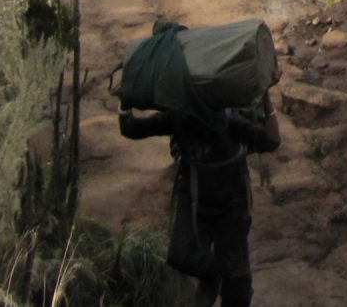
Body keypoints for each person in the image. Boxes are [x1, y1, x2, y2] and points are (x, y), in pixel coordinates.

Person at [119, 100, 281, 306]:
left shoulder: (231, 121)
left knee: (237, 288)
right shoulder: (180, 118)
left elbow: (272, 141)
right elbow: (131, 128)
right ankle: (215, 274)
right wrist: (125, 103)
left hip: (232, 201)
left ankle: (225, 275)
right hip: (195, 198)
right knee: (181, 255)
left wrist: (266, 99)